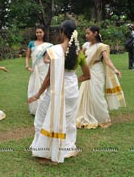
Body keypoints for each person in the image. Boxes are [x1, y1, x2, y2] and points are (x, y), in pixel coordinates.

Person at [27, 20, 90, 163]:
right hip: (71, 91)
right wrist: (72, 80)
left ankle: (45, 150)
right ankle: (65, 148)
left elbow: (49, 77)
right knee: (67, 121)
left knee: (42, 118)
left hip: (55, 90)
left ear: (62, 32)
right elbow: (87, 75)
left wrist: (37, 94)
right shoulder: (79, 53)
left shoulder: (54, 51)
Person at [76, 26, 126, 129]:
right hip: (87, 71)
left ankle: (104, 119)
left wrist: (115, 69)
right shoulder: (85, 45)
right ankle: (85, 115)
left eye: (88, 33)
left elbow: (107, 60)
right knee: (85, 94)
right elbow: (80, 56)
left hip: (97, 72)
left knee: (97, 95)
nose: (86, 35)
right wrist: (81, 57)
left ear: (95, 33)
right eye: (86, 33)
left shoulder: (102, 46)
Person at [25, 25, 53, 115]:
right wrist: (27, 66)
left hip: (43, 68)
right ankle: (35, 108)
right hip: (34, 69)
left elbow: (47, 58)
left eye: (40, 32)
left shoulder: (48, 45)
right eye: (37, 32)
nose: (38, 34)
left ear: (44, 33)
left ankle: (44, 108)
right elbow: (27, 56)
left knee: (43, 85)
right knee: (33, 86)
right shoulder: (31, 43)